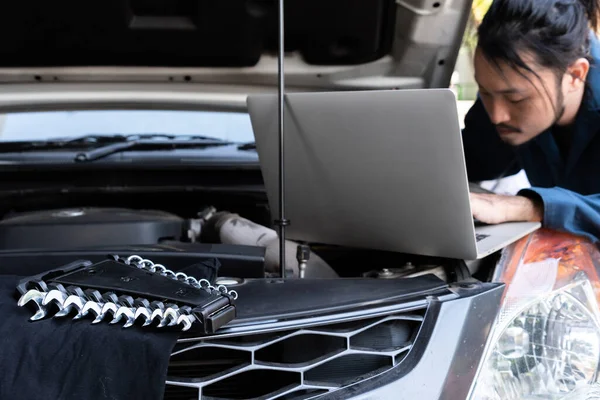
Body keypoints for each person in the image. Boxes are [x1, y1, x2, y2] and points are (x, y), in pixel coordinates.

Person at [464, 0, 600, 243]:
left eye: (516, 99)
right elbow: (473, 160)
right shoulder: (503, 91)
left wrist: (529, 207)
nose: (497, 116)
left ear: (575, 75)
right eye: (485, 92)